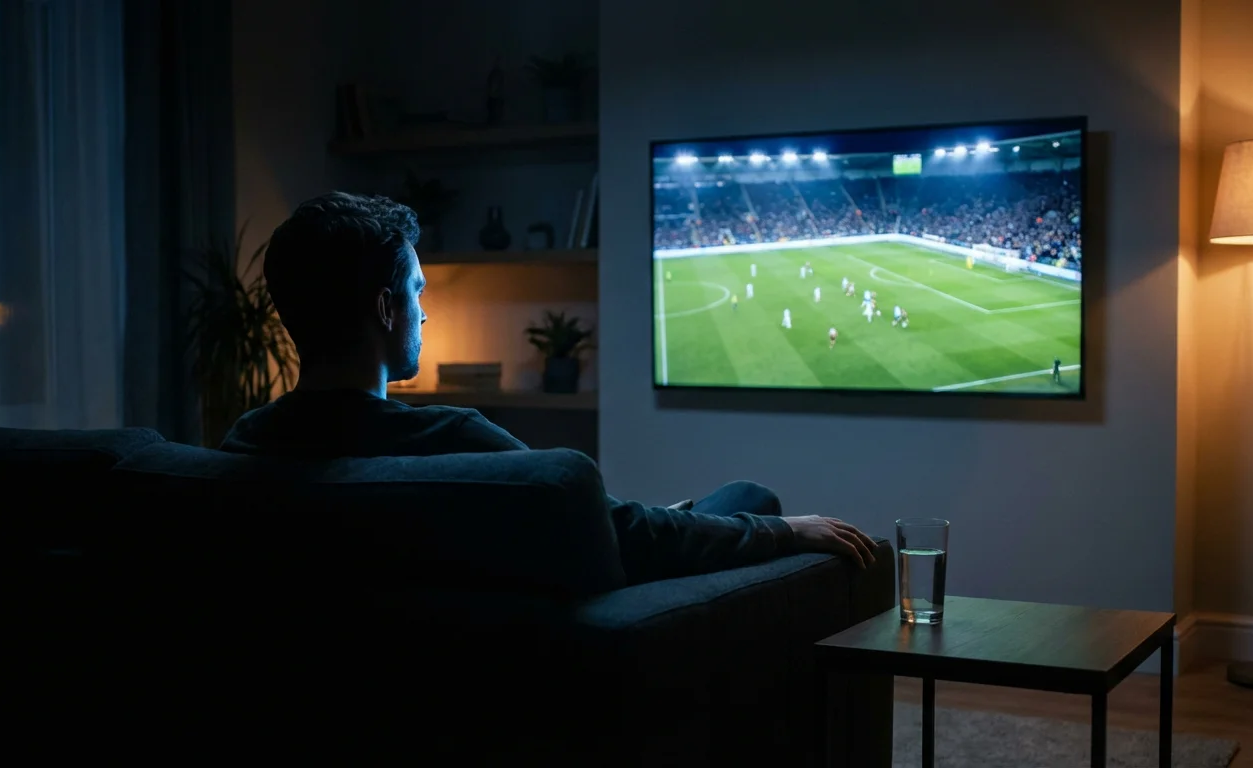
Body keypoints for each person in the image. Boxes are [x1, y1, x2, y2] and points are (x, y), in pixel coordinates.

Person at [221, 193, 875, 586]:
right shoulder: (455, 441)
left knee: (682, 511)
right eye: (419, 292)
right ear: (387, 309)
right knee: (753, 500)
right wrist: (787, 531)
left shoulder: (243, 444)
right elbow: (624, 538)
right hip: (599, 632)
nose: (427, 311)